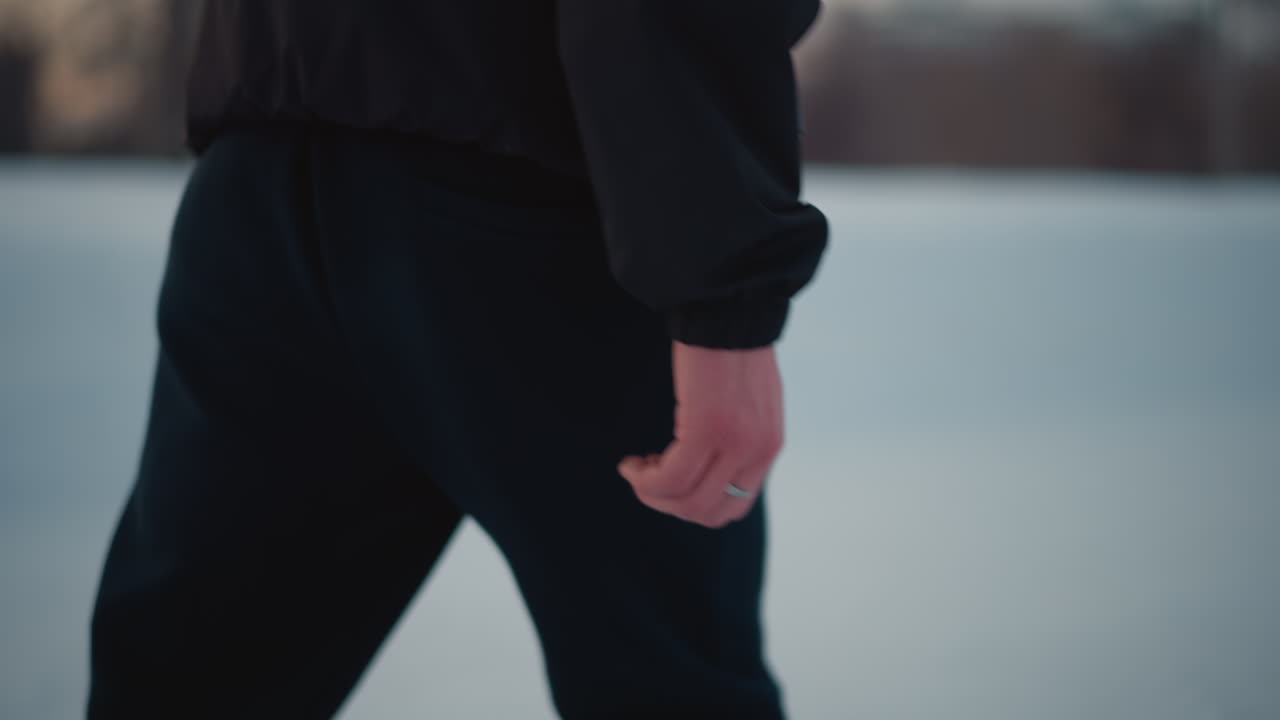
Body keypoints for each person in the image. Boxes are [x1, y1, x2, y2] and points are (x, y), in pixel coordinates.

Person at [87, 1, 829, 718]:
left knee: (186, 683)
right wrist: (724, 299)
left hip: (261, 172)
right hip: (532, 202)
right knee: (672, 689)